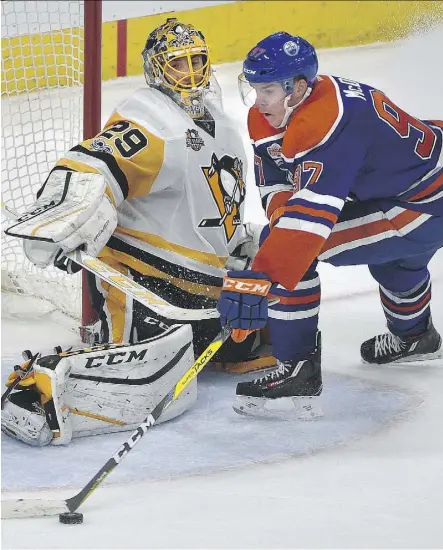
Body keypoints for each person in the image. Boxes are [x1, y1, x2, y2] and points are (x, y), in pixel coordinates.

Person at [1, 18, 268, 447]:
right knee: (136, 373)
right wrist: (66, 215)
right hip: (150, 291)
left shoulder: (222, 121)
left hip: (213, 296)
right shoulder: (151, 117)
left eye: (197, 59)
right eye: (178, 62)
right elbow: (94, 162)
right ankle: (37, 391)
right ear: (157, 68)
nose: (191, 70)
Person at [217, 31, 443, 419]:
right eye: (254, 88)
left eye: (268, 89)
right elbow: (276, 185)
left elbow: (305, 227)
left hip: (424, 203)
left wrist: (262, 278)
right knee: (394, 261)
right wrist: (278, 240)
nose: (258, 101)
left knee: (294, 249)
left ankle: (297, 368)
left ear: (299, 87)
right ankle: (416, 337)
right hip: (411, 185)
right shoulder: (276, 112)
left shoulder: (325, 123)